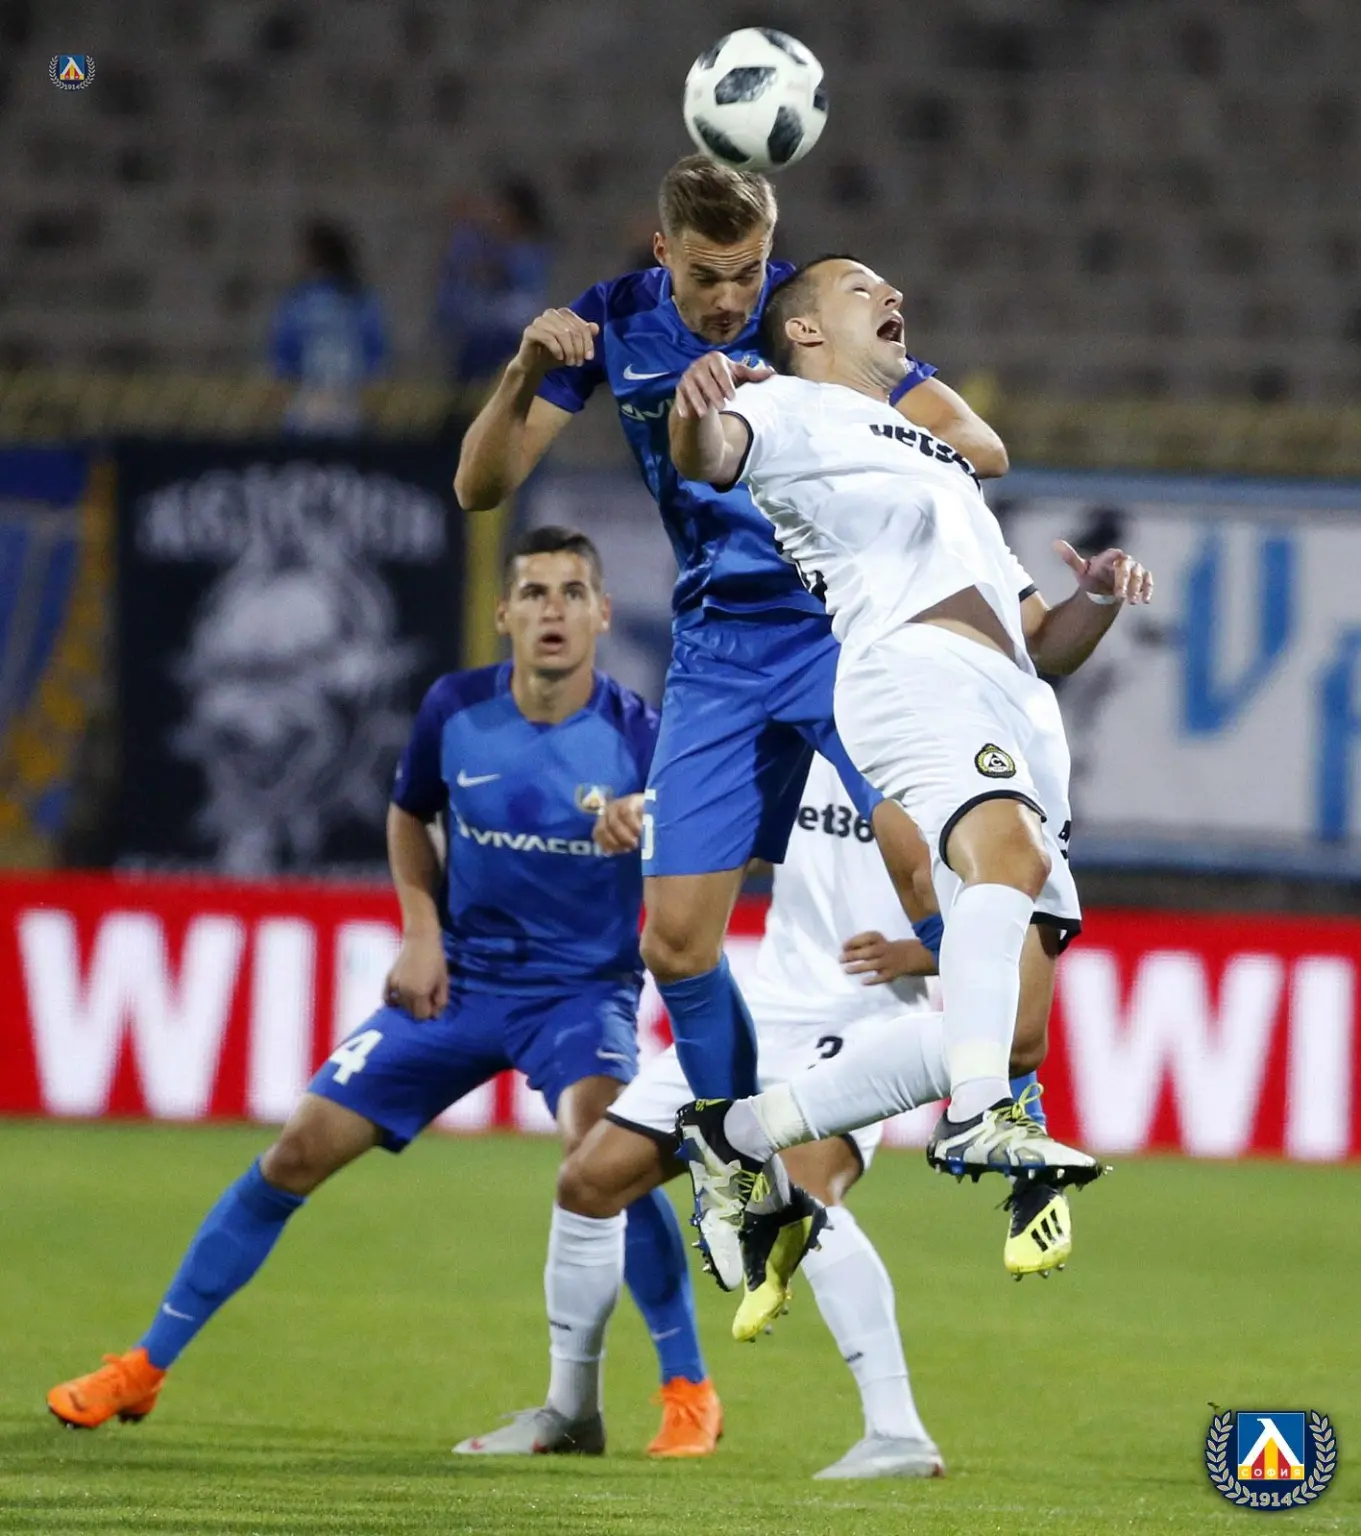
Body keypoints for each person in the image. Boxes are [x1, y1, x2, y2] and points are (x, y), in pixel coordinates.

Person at [453, 156, 1053, 1288]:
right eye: (710, 275)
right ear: (663, 253)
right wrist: (524, 368)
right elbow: (479, 489)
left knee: (933, 860)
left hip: (842, 635)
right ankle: (736, 1161)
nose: (733, 297)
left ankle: (1010, 1107)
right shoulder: (610, 325)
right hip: (720, 651)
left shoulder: (806, 323)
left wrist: (838, 415)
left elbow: (977, 448)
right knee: (674, 942)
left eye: (749, 271)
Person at [46, 527, 722, 1460]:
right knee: (296, 1150)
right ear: (503, 612)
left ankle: (686, 1390)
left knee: (605, 1157)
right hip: (463, 984)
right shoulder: (456, 709)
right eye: (534, 593)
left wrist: (653, 819)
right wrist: (420, 933)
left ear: (604, 614)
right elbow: (409, 815)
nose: (553, 610)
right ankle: (143, 1365)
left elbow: (722, 836)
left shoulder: (642, 735)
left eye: (572, 593)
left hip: (578, 995)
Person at [668, 256, 1152, 1331]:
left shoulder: (934, 461)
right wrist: (692, 409)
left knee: (1010, 1032)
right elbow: (709, 456)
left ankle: (736, 1137)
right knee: (1006, 867)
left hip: (1013, 700)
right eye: (861, 290)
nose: (891, 298)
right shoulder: (783, 407)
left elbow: (1039, 638)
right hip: (908, 671)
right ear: (803, 331)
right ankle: (977, 1118)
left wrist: (1092, 597)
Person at [458, 755, 946, 1480]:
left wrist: (920, 951)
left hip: (867, 1019)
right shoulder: (804, 742)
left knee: (803, 1194)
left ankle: (898, 1432)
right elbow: (735, 834)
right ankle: (570, 1414)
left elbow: (1012, 910)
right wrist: (649, 815)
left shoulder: (933, 756)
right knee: (588, 1184)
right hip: (758, 1012)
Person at [270, 219, 388, 435]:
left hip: (307, 406)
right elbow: (376, 358)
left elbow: (283, 360)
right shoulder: (361, 301)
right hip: (350, 407)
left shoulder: (299, 303)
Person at [435, 180, 553, 384]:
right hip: (484, 340)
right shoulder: (489, 248)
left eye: (502, 210)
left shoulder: (528, 253)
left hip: (511, 340)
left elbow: (501, 272)